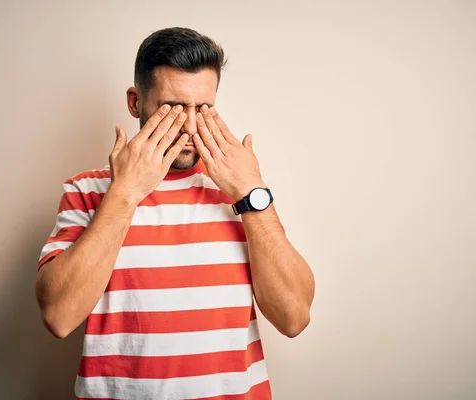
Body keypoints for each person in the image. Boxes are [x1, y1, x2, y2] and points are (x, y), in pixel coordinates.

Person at [35, 27, 315, 399]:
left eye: (203, 108)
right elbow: (59, 316)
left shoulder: (239, 190)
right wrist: (124, 193)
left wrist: (251, 194)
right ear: (136, 103)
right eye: (172, 107)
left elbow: (293, 317)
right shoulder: (86, 191)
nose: (189, 124)